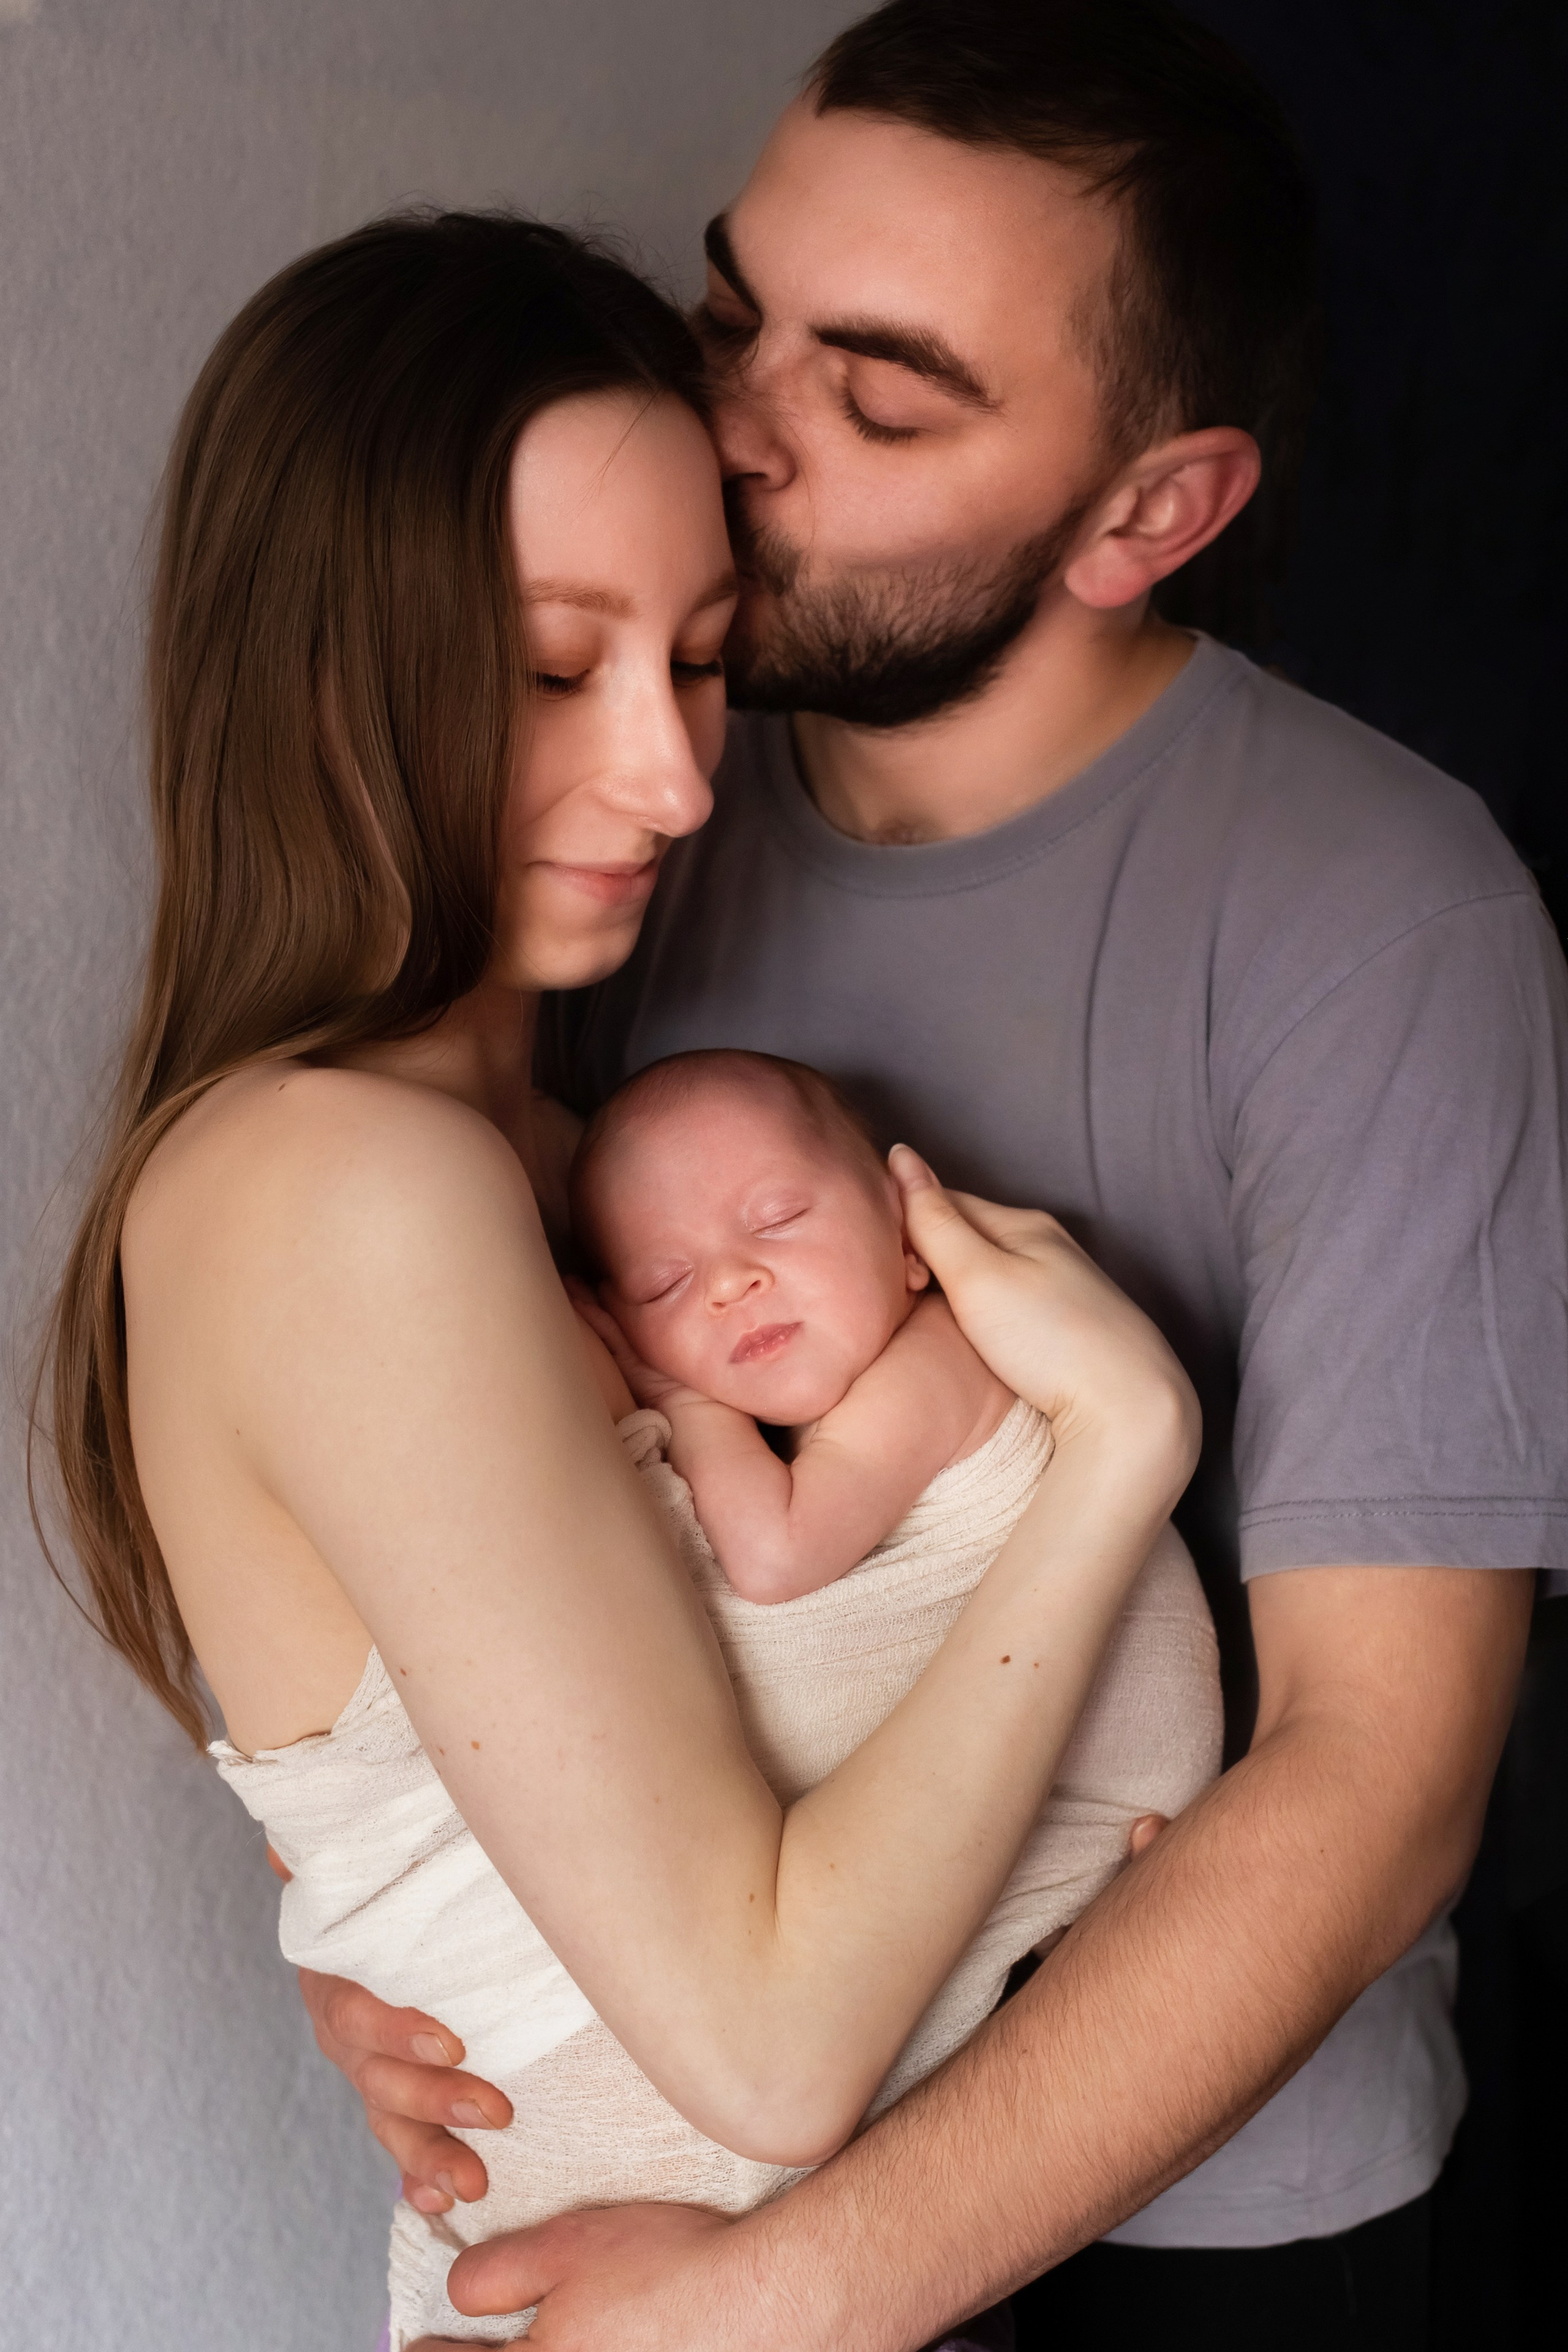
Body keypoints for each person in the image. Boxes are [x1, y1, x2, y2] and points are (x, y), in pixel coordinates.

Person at [318, 6, 1566, 2346]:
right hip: (700, 2125)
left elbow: (1378, 1774)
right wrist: (374, 1937)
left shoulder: (1382, 914)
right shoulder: (616, 826)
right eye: (727, 320)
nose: (735, 431)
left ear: (1147, 510)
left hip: (1204, 2225)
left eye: (877, 399)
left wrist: (795, 2293)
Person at [32, 207, 1205, 2352]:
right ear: (323, 670)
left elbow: (558, 1809)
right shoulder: (341, 1188)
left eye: (701, 656)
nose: (673, 778)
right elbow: (765, 2044)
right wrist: (1122, 1446)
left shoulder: (573, 1166)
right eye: (558, 670)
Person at [568, 1048, 1019, 1600]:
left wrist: (681, 1402)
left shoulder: (940, 1361)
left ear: (905, 1233)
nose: (729, 1284)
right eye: (666, 1283)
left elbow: (774, 1559)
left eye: (778, 1219)